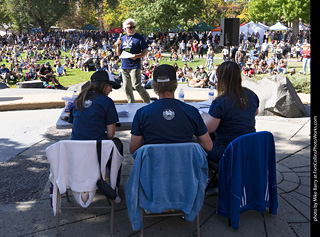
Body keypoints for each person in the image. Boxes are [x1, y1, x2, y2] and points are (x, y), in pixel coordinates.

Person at [130, 64, 212, 154]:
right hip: (185, 166)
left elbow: (133, 149)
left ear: (153, 85)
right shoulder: (191, 111)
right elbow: (208, 146)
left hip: (153, 166)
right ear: (176, 83)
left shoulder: (142, 113)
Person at [202, 61, 259, 163]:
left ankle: (208, 175)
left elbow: (208, 128)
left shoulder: (221, 101)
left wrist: (203, 117)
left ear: (221, 78)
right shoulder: (252, 95)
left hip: (227, 150)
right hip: (249, 147)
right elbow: (255, 112)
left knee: (197, 141)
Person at [68, 70, 123, 155]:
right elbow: (110, 134)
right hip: (97, 150)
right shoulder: (107, 102)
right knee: (117, 143)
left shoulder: (78, 99)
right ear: (103, 84)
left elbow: (74, 125)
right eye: (110, 86)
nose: (111, 90)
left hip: (76, 150)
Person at [115, 18, 150, 103]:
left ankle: (148, 102)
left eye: (133, 27)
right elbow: (119, 54)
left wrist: (136, 56)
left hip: (135, 65)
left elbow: (145, 51)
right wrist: (118, 45)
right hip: (124, 65)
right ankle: (131, 103)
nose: (132, 29)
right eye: (130, 27)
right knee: (127, 87)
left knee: (137, 85)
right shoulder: (122, 38)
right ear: (125, 29)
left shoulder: (139, 37)